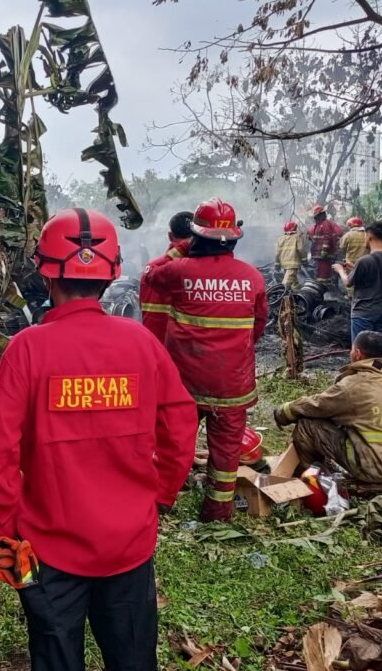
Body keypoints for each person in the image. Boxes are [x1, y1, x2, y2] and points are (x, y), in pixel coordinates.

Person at [0, 207, 198, 671]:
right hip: (130, 545)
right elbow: (180, 422)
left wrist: (2, 529)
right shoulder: (141, 343)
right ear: (112, 275)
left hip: (39, 550)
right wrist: (160, 495)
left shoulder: (27, 349)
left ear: (46, 275)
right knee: (133, 657)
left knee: (51, 652)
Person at [144, 198, 267, 522]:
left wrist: (178, 248)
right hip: (233, 385)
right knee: (226, 454)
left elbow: (150, 276)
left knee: (175, 441)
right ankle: (217, 513)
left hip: (188, 383)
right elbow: (258, 328)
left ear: (197, 236)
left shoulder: (180, 270)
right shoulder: (252, 277)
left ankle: (161, 503)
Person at [275, 330, 382, 482]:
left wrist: (284, 411)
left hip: (377, 469)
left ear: (357, 353)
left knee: (307, 425)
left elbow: (316, 406)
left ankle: (313, 481)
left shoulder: (354, 384)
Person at [332, 221, 382, 346]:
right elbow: (375, 275)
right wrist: (354, 268)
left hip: (364, 313)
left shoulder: (364, 260)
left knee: (361, 352)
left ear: (369, 236)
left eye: (365, 236)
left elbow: (348, 283)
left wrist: (340, 270)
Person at [139, 210, 193, 343]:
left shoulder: (151, 268)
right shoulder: (198, 270)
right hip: (184, 352)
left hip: (153, 349)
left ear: (170, 236)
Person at [307, 205, 342, 285]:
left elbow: (327, 237)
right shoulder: (318, 225)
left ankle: (323, 288)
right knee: (320, 271)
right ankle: (322, 286)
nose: (315, 218)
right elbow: (316, 238)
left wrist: (324, 251)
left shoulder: (325, 224)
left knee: (323, 273)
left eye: (316, 216)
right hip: (319, 254)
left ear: (320, 215)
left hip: (324, 254)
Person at [274, 220, 306, 292]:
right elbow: (301, 250)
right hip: (293, 264)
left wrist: (277, 264)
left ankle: (298, 296)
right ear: (294, 228)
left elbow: (277, 253)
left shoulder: (280, 239)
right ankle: (280, 296)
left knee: (294, 283)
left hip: (284, 264)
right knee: (286, 284)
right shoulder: (297, 238)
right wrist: (304, 261)